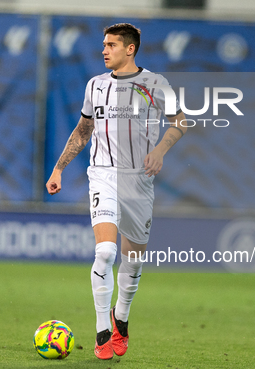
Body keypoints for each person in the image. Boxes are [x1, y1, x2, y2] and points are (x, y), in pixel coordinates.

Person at [46, 23, 187, 360]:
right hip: (104, 176)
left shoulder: (155, 84)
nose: (104, 50)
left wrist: (160, 151)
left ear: (130, 49)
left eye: (111, 45)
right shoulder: (95, 86)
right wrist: (59, 167)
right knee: (106, 253)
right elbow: (83, 131)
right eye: (104, 45)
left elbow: (180, 121)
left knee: (133, 261)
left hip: (139, 181)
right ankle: (102, 332)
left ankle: (120, 318)